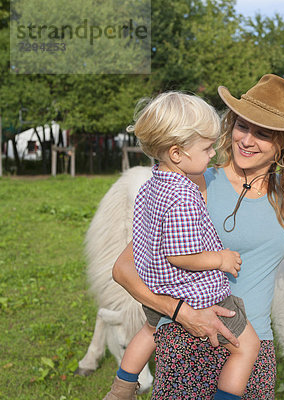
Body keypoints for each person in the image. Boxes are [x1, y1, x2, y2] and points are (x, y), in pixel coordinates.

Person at [111, 74, 284, 399]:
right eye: (242, 126)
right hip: (190, 341)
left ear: (283, 143)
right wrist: (183, 313)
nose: (247, 140)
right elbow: (125, 269)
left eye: (262, 133)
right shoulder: (195, 184)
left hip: (254, 349)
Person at [104, 92, 260, 400]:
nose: (213, 153)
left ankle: (121, 388)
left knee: (149, 332)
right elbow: (181, 255)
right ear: (177, 153)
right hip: (193, 292)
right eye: (206, 147)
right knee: (247, 348)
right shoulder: (184, 195)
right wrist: (221, 259)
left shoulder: (151, 184)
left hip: (155, 285)